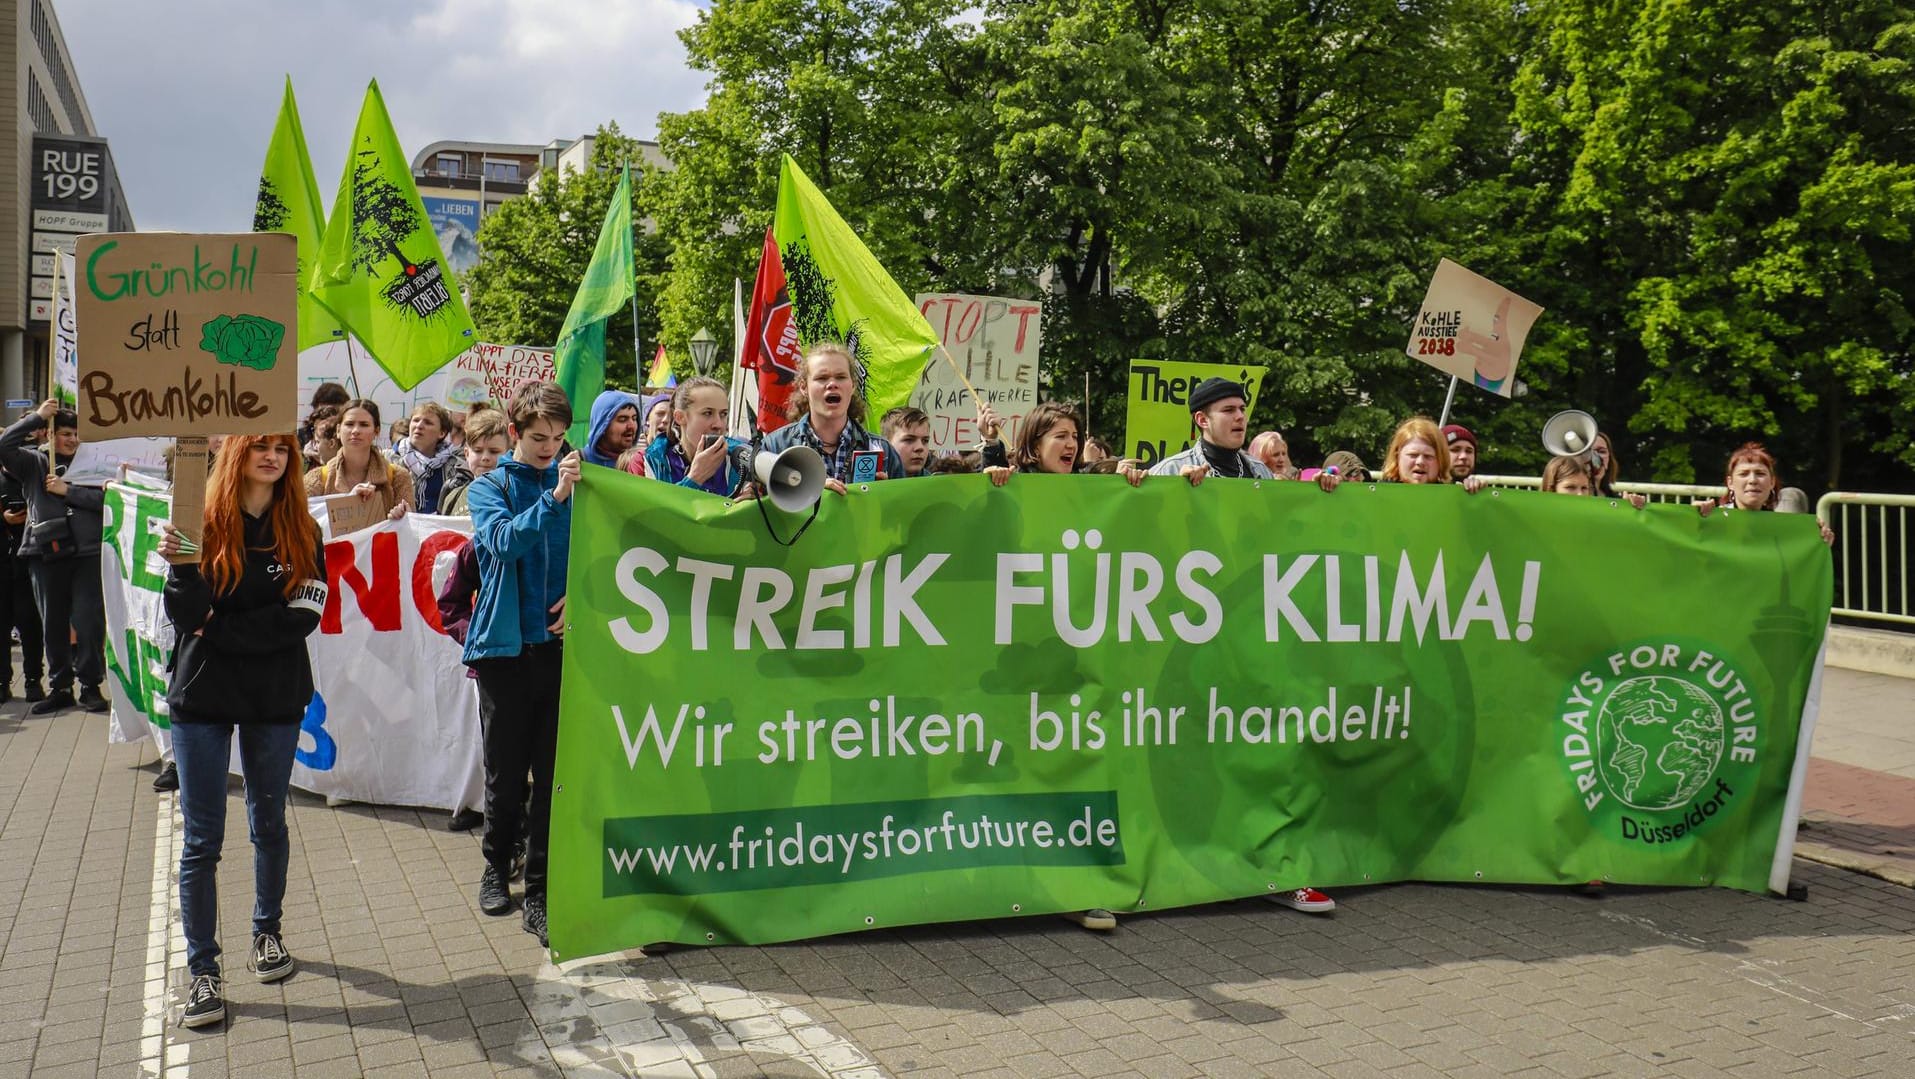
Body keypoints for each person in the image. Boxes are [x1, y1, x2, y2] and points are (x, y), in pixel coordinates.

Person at [1121, 379, 1340, 921]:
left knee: (1263, 751)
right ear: (1202, 419)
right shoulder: (1175, 469)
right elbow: (1137, 528)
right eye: (1228, 410)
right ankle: (1182, 863)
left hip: (1250, 634)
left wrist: (1321, 496)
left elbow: (1282, 534)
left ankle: (1274, 868)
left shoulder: (1261, 473)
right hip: (1189, 639)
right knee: (1191, 755)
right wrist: (1141, 482)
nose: (1239, 417)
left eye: (1243, 410)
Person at [157, 433, 327, 1029]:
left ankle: (267, 933)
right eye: (260, 446)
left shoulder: (305, 531)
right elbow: (185, 612)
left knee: (269, 821)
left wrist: (219, 628)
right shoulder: (195, 524)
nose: (273, 457)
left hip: (275, 697)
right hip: (202, 696)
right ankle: (203, 970)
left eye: (283, 449)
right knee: (202, 840)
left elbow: (303, 617)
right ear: (236, 454)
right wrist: (189, 584)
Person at [463, 382, 581, 948]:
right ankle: (495, 864)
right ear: (514, 433)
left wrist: (581, 598)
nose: (549, 448)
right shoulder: (487, 488)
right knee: (505, 772)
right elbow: (501, 545)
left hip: (560, 651)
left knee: (552, 774)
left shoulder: (578, 485)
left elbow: (605, 553)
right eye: (538, 438)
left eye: (558, 438)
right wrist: (552, 498)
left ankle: (540, 890)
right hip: (505, 652)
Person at [0, 400, 108, 714]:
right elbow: (4, 445)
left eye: (76, 434)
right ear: (50, 434)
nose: (72, 439)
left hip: (88, 554)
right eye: (65, 433)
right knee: (52, 624)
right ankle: (60, 686)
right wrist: (37, 416)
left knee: (88, 623)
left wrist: (68, 491)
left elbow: (110, 497)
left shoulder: (95, 462)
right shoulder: (35, 462)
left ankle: (90, 685)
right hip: (46, 553)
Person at [761, 343, 906, 491]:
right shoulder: (775, 447)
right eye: (822, 378)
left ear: (853, 386)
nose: (832, 384)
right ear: (804, 387)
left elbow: (902, 510)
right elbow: (756, 508)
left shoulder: (884, 451)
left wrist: (885, 496)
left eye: (841, 377)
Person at [1698, 442, 1835, 545]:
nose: (1752, 480)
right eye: (1744, 474)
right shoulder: (1712, 520)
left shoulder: (1785, 529)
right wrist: (1692, 522)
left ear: (1772, 482)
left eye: (1760, 473)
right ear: (1730, 483)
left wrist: (1820, 544)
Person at [304, 399, 414, 520]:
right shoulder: (317, 478)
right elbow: (300, 524)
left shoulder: (398, 477)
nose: (355, 431)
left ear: (376, 432)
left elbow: (411, 531)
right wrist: (349, 502)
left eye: (364, 425)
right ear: (338, 430)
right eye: (349, 424)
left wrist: (403, 519)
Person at [646, 378, 752, 496]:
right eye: (707, 413)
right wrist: (695, 478)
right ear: (680, 417)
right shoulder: (656, 458)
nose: (718, 424)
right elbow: (657, 513)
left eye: (723, 414)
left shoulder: (741, 457)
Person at [0, 458, 43, 707]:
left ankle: (33, 680)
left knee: (30, 625)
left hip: (27, 563)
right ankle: (3, 682)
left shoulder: (33, 481)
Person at [984, 402, 1098, 484]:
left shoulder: (1087, 482)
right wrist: (991, 479)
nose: (1072, 444)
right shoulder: (1012, 482)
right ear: (1035, 446)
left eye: (1075, 437)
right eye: (1061, 436)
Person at [1381, 417, 1485, 491]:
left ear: (1441, 460)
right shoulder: (1376, 495)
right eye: (1413, 455)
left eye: (1428, 456)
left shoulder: (1453, 496)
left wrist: (1476, 494)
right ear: (1397, 456)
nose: (1420, 462)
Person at [438, 409, 510, 516]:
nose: (485, 457)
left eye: (494, 451)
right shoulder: (452, 497)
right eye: (478, 451)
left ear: (508, 453)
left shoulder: (518, 495)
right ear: (466, 454)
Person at [396, 402, 461, 512]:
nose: (419, 426)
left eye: (428, 423)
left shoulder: (455, 465)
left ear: (442, 433)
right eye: (416, 420)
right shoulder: (391, 459)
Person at [581, 390, 642, 469]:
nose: (631, 426)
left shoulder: (643, 464)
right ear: (602, 426)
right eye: (623, 419)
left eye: (634, 419)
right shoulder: (578, 462)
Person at [880, 406, 934, 477]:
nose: (920, 447)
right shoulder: (869, 484)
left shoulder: (937, 486)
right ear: (886, 444)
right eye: (909, 440)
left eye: (925, 441)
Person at [297, 382, 351, 446]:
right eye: (324, 414)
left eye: (335, 413)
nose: (330, 418)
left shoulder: (349, 432)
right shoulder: (302, 435)